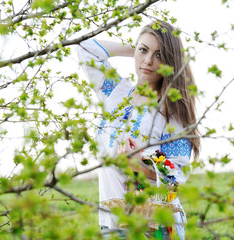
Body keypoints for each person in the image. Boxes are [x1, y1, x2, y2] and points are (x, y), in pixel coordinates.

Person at [76, 20, 200, 240]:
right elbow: (85, 47)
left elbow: (177, 175)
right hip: (112, 219)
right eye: (144, 51)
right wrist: (136, 49)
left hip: (155, 224)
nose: (149, 61)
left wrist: (142, 162)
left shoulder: (170, 109)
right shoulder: (114, 92)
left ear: (170, 62)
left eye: (160, 55)